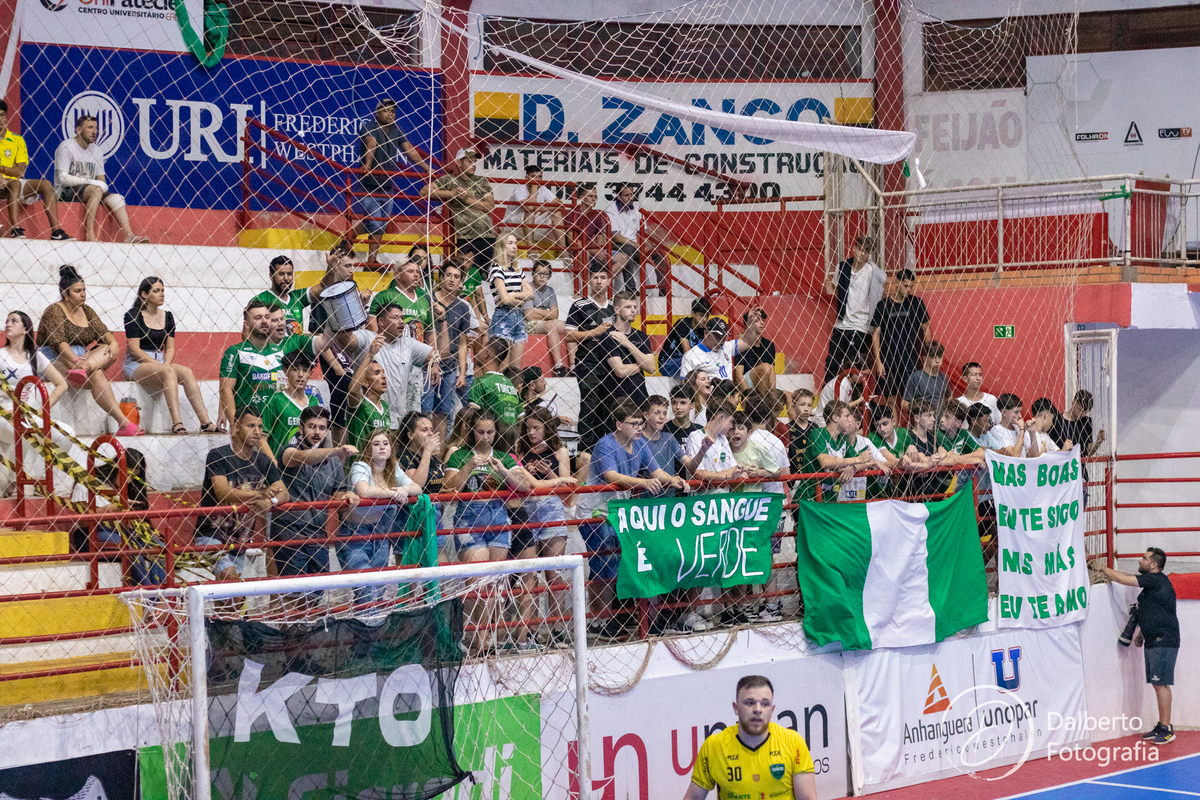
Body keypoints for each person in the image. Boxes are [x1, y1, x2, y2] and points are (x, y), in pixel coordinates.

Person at [577, 398, 687, 638]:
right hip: (594, 512)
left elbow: (657, 472)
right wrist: (644, 482)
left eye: (640, 423)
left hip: (618, 512)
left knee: (615, 566)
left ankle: (604, 619)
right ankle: (599, 621)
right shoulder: (605, 445)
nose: (639, 428)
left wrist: (674, 480)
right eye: (634, 424)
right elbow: (611, 476)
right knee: (604, 567)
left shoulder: (640, 444)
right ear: (619, 424)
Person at [37, 265, 141, 436]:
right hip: (56, 360)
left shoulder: (87, 310)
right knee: (95, 372)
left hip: (82, 362)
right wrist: (77, 361)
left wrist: (113, 345)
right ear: (65, 294)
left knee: (104, 350)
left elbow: (106, 334)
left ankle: (122, 422)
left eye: (84, 290)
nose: (83, 294)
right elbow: (60, 344)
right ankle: (123, 422)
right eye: (78, 291)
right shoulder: (54, 310)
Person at [683, 675, 818, 800]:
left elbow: (808, 798)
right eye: (749, 703)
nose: (758, 709)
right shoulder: (714, 746)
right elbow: (693, 797)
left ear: (772, 710)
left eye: (765, 704)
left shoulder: (793, 742)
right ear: (736, 708)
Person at [195, 406, 290, 581]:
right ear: (237, 426)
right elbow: (223, 493)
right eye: (251, 426)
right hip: (211, 534)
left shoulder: (263, 460)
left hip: (240, 539)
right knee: (230, 578)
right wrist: (259, 494)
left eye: (260, 427)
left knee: (230, 591)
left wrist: (271, 502)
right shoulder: (218, 455)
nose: (257, 432)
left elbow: (284, 492)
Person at [511, 407, 577, 647]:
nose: (531, 432)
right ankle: (528, 630)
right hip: (526, 510)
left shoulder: (559, 451)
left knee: (553, 574)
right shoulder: (519, 450)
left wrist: (548, 473)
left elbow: (567, 488)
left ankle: (557, 629)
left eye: (536, 428)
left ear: (547, 428)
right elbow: (517, 482)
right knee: (529, 575)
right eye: (528, 428)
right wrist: (528, 475)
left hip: (551, 510)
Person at [1099, 549, 1179, 745]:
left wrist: (1100, 568)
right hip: (1154, 639)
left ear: (1153, 565)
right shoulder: (1152, 587)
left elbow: (1122, 579)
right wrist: (1142, 633)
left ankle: (1167, 729)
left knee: (1161, 683)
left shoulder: (1156, 580)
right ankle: (1162, 725)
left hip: (1164, 640)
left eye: (1144, 558)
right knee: (1157, 683)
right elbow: (1156, 611)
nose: (1140, 560)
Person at [340, 429, 423, 612]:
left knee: (378, 592)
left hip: (379, 534)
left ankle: (371, 627)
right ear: (368, 449)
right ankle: (363, 628)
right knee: (365, 591)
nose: (382, 447)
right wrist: (393, 493)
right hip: (354, 534)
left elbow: (417, 488)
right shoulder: (360, 466)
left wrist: (404, 490)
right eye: (376, 444)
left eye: (385, 443)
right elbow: (364, 491)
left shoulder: (393, 468)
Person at [217, 299, 328, 432]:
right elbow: (225, 390)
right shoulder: (235, 352)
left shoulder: (281, 352)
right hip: (249, 426)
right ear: (246, 324)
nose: (264, 321)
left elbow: (324, 343)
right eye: (258, 318)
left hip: (277, 426)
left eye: (267, 317)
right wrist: (234, 423)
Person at [276, 406, 359, 582]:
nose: (317, 432)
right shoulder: (288, 451)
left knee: (318, 592)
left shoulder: (334, 461)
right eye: (311, 426)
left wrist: (350, 496)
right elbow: (304, 457)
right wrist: (336, 450)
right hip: (290, 534)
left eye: (322, 428)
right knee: (293, 592)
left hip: (319, 535)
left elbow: (339, 498)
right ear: (300, 429)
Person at [0, 310, 78, 497]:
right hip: (3, 414)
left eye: (14, 321)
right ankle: (16, 478)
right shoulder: (0, 355)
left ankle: (39, 479)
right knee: (27, 431)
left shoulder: (35, 356)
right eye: (7, 321)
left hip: (25, 416)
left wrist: (44, 409)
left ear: (25, 329)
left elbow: (61, 384)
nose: (8, 324)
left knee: (67, 434)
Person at [124, 277, 214, 435]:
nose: (161, 294)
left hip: (160, 361)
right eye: (156, 291)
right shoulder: (133, 315)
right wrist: (160, 366)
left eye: (162, 290)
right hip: (137, 363)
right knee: (168, 371)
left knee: (186, 372)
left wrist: (165, 363)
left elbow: (170, 348)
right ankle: (177, 423)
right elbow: (135, 350)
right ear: (144, 294)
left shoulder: (168, 316)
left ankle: (205, 422)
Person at [349, 100, 432, 265]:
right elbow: (371, 144)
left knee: (376, 225)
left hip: (387, 186)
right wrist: (368, 164)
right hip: (369, 185)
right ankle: (371, 263)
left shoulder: (397, 129)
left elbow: (409, 150)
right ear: (377, 113)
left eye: (393, 112)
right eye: (386, 111)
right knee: (376, 224)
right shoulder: (369, 126)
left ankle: (347, 238)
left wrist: (427, 168)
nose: (390, 114)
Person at [53, 114, 148, 244]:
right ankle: (90, 235)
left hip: (89, 191)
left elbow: (101, 180)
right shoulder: (66, 146)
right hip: (65, 192)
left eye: (96, 128)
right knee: (96, 190)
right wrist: (93, 183)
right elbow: (63, 178)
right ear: (78, 130)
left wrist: (100, 187)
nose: (94, 131)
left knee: (117, 198)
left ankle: (129, 236)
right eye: (90, 127)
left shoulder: (97, 151)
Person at [352, 303, 437, 430]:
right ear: (381, 321)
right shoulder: (367, 337)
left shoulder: (408, 343)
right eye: (395, 318)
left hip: (397, 419)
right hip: (368, 416)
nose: (401, 322)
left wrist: (434, 364)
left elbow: (436, 355)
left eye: (402, 318)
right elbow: (345, 340)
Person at [422, 148, 495, 281]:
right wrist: (452, 193)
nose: (473, 165)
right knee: (467, 276)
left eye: (474, 162)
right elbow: (424, 191)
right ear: (459, 163)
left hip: (487, 234)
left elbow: (490, 206)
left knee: (486, 276)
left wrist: (467, 199)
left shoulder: (482, 181)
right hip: (466, 235)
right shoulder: (449, 180)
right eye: (469, 161)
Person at [1, 101, 71, 241]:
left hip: (12, 184)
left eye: (2, 115)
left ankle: (56, 232)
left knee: (46, 185)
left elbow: (20, 172)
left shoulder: (17, 140)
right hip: (6, 185)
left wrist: (2, 169)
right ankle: (16, 230)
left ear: (6, 117)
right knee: (15, 184)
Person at [565, 264, 616, 447]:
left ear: (609, 281)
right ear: (588, 280)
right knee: (590, 405)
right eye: (595, 277)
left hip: (611, 364)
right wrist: (594, 332)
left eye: (603, 277)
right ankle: (585, 450)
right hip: (588, 362)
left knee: (608, 408)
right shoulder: (579, 305)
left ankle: (605, 448)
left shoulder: (614, 307)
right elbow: (568, 335)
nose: (599, 281)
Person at [824, 233, 885, 385]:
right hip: (842, 323)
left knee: (852, 365)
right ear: (854, 249)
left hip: (860, 325)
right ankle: (829, 393)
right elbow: (836, 287)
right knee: (831, 362)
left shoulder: (872, 272)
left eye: (866, 251)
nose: (862, 253)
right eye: (860, 249)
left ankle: (850, 395)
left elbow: (879, 289)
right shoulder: (842, 267)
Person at [870, 268, 929, 408]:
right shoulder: (883, 305)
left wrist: (927, 354)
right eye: (906, 286)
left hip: (911, 360)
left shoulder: (916, 303)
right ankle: (893, 423)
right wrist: (878, 362)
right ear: (897, 282)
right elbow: (876, 334)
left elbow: (926, 327)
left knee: (912, 400)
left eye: (911, 287)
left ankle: (912, 423)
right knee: (890, 400)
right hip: (888, 361)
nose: (909, 290)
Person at [428, 260, 472, 438]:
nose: (452, 280)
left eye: (457, 277)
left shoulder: (463, 307)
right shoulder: (428, 300)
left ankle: (439, 452)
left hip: (449, 368)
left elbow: (463, 343)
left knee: (443, 413)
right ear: (441, 277)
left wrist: (462, 373)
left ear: (461, 281)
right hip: (426, 365)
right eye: (448, 275)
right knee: (424, 412)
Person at [261, 348, 321, 463]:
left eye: (305, 370)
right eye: (295, 369)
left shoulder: (314, 402)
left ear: (310, 373)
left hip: (306, 466)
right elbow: (262, 438)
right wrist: (273, 463)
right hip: (281, 465)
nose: (301, 375)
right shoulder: (276, 401)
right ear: (285, 371)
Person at [368, 245, 435, 346]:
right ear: (398, 274)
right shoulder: (384, 296)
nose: (416, 275)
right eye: (410, 271)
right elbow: (372, 328)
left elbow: (430, 335)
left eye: (417, 271)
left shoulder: (424, 300)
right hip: (390, 351)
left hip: (418, 353)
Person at [488, 233, 534, 371]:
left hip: (518, 317)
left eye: (515, 243)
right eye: (510, 243)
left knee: (515, 370)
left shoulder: (518, 270)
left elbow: (531, 294)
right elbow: (504, 299)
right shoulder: (496, 269)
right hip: (503, 317)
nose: (514, 246)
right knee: (502, 368)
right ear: (501, 246)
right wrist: (520, 298)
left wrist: (513, 295)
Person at [467, 338, 523, 433]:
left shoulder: (480, 382)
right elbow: (520, 419)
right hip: (510, 438)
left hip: (489, 438)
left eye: (481, 349)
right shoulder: (510, 384)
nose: (478, 351)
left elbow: (472, 417)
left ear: (487, 353)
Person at [504, 165, 565, 251]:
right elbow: (529, 207)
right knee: (530, 211)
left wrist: (541, 208)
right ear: (526, 178)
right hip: (512, 227)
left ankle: (563, 252)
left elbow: (560, 205)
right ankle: (531, 250)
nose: (537, 179)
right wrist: (534, 187)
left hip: (531, 227)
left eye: (540, 177)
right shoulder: (519, 190)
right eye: (534, 176)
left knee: (557, 212)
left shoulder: (543, 189)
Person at [524, 260, 568, 376]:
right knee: (551, 325)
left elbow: (555, 315)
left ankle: (574, 365)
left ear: (549, 276)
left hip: (545, 322)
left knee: (569, 326)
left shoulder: (550, 291)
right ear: (533, 274)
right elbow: (529, 316)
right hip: (528, 324)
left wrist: (536, 310)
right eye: (539, 273)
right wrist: (547, 313)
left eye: (545, 274)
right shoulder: (528, 289)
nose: (542, 276)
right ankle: (559, 366)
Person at [679, 317, 758, 383]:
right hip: (708, 395)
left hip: (728, 393)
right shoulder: (691, 356)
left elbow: (747, 342)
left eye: (723, 336)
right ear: (706, 333)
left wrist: (751, 323)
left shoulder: (727, 347)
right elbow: (684, 386)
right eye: (717, 336)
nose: (721, 341)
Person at [253, 255, 311, 336]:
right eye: (281, 274)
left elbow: (321, 287)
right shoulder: (260, 300)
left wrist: (329, 267)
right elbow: (248, 333)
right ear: (271, 276)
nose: (286, 278)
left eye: (289, 274)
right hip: (273, 344)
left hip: (298, 344)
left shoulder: (297, 296)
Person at [605, 182, 647, 293]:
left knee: (659, 255)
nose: (630, 198)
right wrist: (636, 245)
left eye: (632, 194)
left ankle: (664, 290)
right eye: (626, 195)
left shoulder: (637, 210)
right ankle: (631, 289)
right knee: (627, 249)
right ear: (619, 197)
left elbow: (644, 233)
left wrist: (647, 245)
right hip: (617, 245)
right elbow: (616, 237)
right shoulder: (610, 211)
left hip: (635, 246)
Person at [660, 297, 712, 380]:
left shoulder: (703, 330)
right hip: (668, 363)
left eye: (707, 316)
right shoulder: (683, 324)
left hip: (686, 362)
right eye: (702, 315)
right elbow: (688, 354)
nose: (705, 319)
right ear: (693, 313)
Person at [564, 183, 609, 266]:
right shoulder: (573, 213)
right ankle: (587, 275)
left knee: (621, 257)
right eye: (590, 196)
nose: (594, 199)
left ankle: (600, 274)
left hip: (593, 249)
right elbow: (571, 240)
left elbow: (601, 239)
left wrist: (600, 251)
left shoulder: (597, 215)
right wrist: (593, 250)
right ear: (581, 198)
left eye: (595, 196)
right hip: (577, 249)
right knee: (585, 254)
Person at [734, 308, 776, 394]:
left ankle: (770, 398)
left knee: (789, 396)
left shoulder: (769, 345)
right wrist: (748, 396)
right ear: (748, 324)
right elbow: (738, 376)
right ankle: (762, 400)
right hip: (747, 383)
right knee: (765, 367)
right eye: (757, 320)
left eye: (763, 320)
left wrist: (774, 395)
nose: (762, 323)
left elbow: (772, 373)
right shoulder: (741, 344)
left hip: (764, 380)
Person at [901, 340, 949, 416]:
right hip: (923, 419)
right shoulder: (915, 377)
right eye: (933, 357)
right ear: (925, 358)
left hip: (940, 420)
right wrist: (921, 409)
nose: (937, 361)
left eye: (940, 356)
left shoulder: (943, 377)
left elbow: (949, 400)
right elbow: (904, 404)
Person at [1053, 389, 1106, 456]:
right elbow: (1052, 451)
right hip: (1063, 462)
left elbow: (1089, 451)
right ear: (1073, 403)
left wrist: (1098, 442)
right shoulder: (1057, 422)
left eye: (1086, 412)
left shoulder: (1086, 422)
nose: (1083, 414)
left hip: (1081, 462)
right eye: (1080, 410)